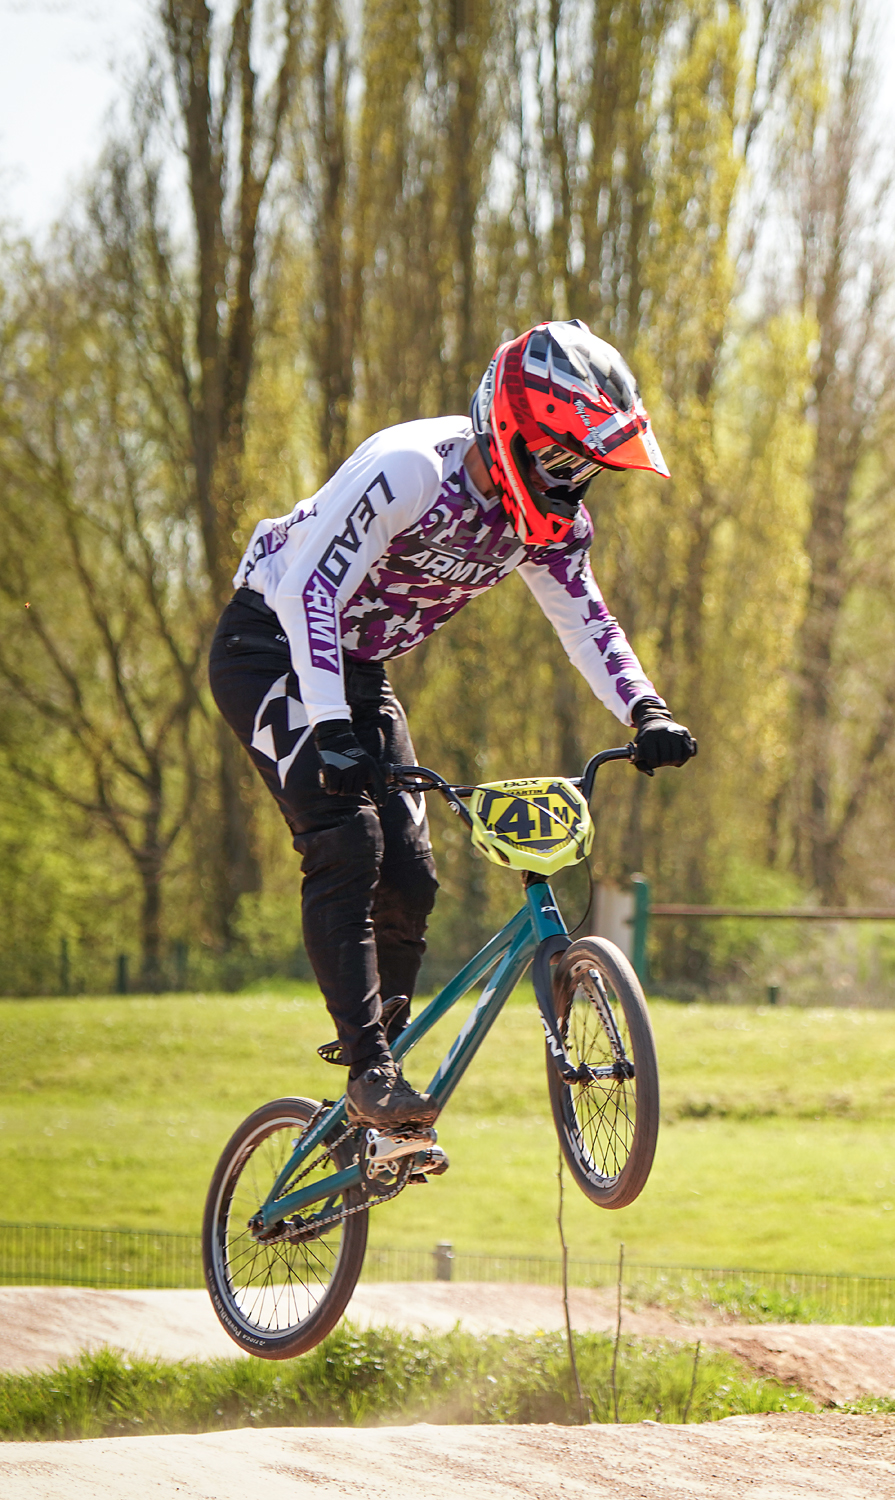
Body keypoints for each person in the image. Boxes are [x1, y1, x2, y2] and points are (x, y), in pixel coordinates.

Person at [209, 320, 697, 1129]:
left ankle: (379, 1099)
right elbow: (306, 591)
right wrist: (329, 727)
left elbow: (588, 622)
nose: (574, 485)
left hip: (356, 670)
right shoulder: (412, 472)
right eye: (564, 461)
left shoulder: (546, 526)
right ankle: (368, 1070)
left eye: (588, 469)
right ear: (512, 432)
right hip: (269, 647)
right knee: (348, 839)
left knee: (412, 876)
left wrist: (646, 710)